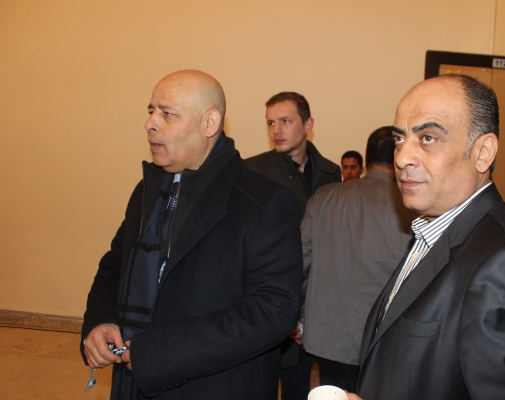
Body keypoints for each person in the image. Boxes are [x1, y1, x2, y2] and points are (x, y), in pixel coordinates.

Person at [347, 74, 505, 400]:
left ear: (483, 152)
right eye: (400, 138)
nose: (401, 157)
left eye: (428, 138)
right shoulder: (438, 229)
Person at [81, 70, 302, 400]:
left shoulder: (264, 201)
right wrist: (100, 320)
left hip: (216, 387)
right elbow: (116, 264)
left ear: (209, 123)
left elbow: (273, 311)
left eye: (167, 114)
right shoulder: (148, 190)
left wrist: (158, 353)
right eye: (151, 111)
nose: (150, 123)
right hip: (132, 381)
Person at [300, 127, 416, 392]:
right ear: (397, 156)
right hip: (384, 340)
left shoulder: (324, 197)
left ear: (367, 158)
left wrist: (301, 312)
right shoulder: (411, 205)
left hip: (328, 335)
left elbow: (300, 260)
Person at [245, 91, 340, 400]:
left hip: (311, 298)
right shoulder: (252, 170)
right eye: (270, 122)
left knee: (299, 387)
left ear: (308, 124)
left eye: (285, 121)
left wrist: (311, 309)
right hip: (268, 296)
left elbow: (329, 241)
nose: (276, 130)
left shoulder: (330, 172)